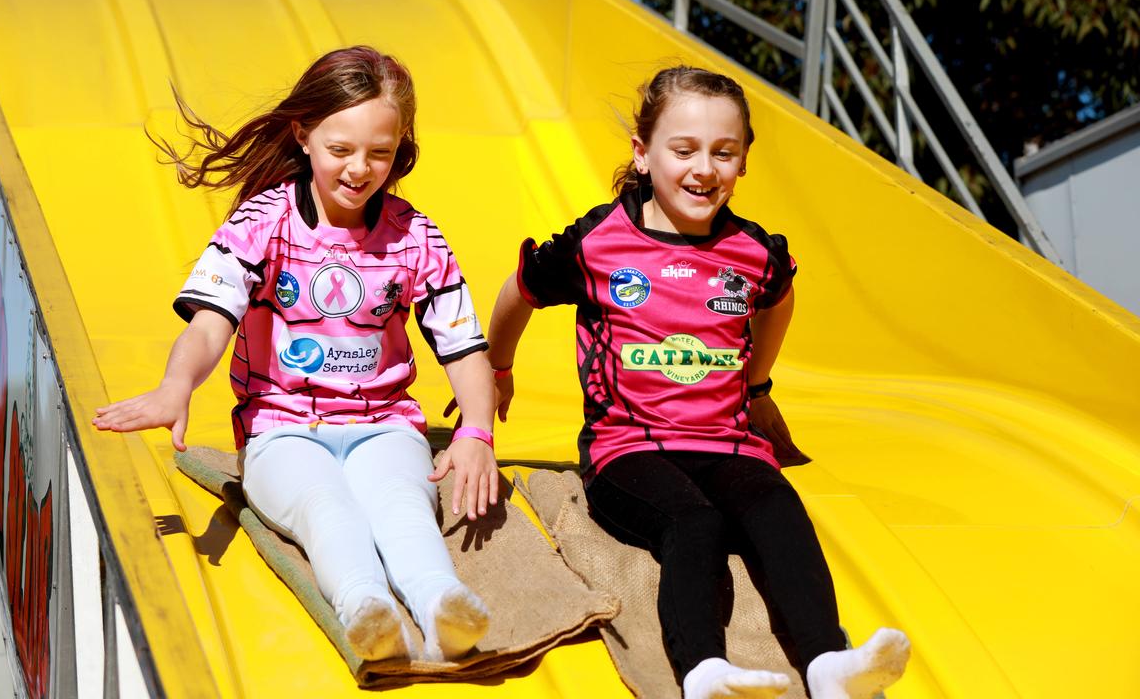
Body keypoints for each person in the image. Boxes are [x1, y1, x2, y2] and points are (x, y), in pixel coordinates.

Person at [485, 67, 911, 699]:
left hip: (725, 442)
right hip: (628, 450)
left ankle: (827, 665)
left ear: (743, 162)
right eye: (683, 151)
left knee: (779, 510)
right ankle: (703, 672)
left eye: (724, 152)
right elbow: (519, 289)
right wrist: (497, 367)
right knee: (695, 523)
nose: (703, 168)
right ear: (643, 152)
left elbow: (779, 299)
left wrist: (758, 385)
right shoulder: (601, 241)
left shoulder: (753, 250)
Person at [93, 46, 496, 663]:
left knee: (399, 502)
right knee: (326, 506)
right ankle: (367, 608)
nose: (360, 169)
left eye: (380, 152)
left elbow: (463, 343)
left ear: (400, 146)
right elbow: (208, 326)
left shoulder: (414, 235)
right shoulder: (263, 223)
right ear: (303, 133)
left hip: (382, 423)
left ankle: (443, 602)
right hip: (281, 429)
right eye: (341, 149)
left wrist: (475, 432)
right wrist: (177, 386)